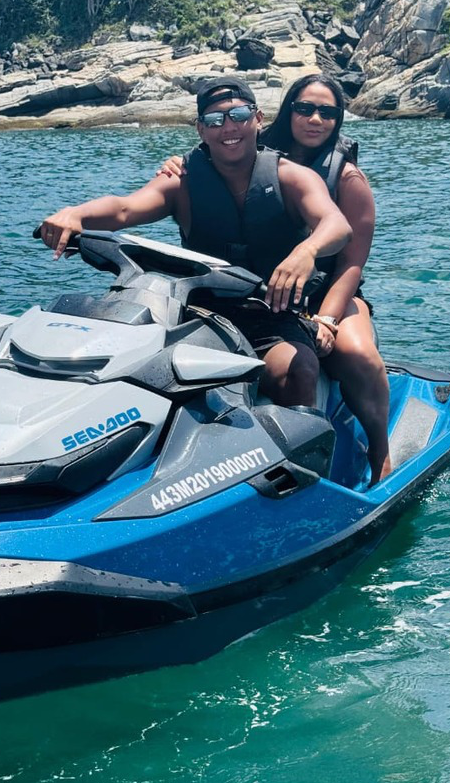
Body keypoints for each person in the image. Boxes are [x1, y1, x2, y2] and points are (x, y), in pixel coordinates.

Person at [37, 76, 352, 410]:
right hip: (199, 313)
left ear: (258, 119)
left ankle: (305, 442)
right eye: (214, 120)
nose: (228, 127)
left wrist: (307, 251)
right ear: (201, 129)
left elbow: (337, 225)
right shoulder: (182, 181)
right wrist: (75, 214)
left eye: (239, 115)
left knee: (299, 370)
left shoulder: (293, 177)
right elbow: (124, 208)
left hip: (271, 318)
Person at [157, 73, 392, 483]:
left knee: (357, 355)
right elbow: (213, 154)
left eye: (327, 112)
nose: (315, 119)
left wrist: (327, 319)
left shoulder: (346, 178)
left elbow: (351, 263)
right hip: (261, 294)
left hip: (329, 293)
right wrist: (178, 165)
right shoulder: (250, 149)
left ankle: (380, 452)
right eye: (304, 109)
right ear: (285, 112)